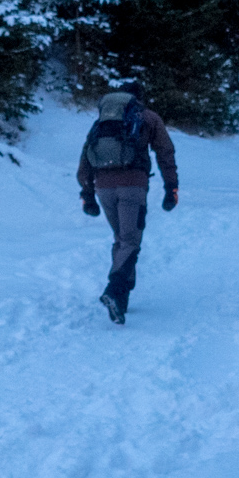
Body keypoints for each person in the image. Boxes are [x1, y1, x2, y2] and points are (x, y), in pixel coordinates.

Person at [78, 83, 177, 324]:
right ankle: (114, 289)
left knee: (121, 239)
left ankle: (121, 301)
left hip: (103, 187)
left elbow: (85, 159)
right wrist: (171, 188)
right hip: (133, 185)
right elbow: (165, 153)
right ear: (139, 98)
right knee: (131, 240)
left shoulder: (101, 122)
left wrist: (88, 195)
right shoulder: (148, 117)